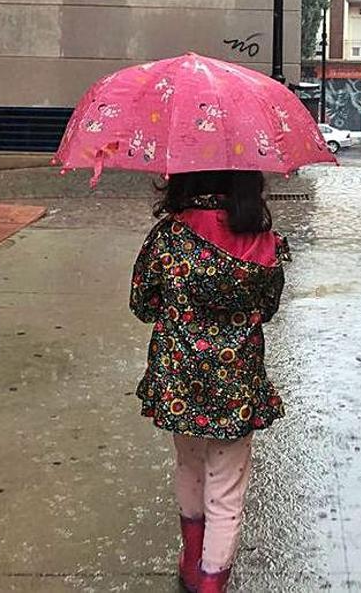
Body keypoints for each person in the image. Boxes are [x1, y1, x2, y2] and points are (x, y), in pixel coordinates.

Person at [130, 170, 288, 593]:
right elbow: (268, 308)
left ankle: (190, 560)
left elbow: (142, 304)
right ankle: (211, 581)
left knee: (189, 464)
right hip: (235, 385)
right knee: (227, 484)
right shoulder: (263, 243)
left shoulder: (168, 238)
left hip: (180, 381)